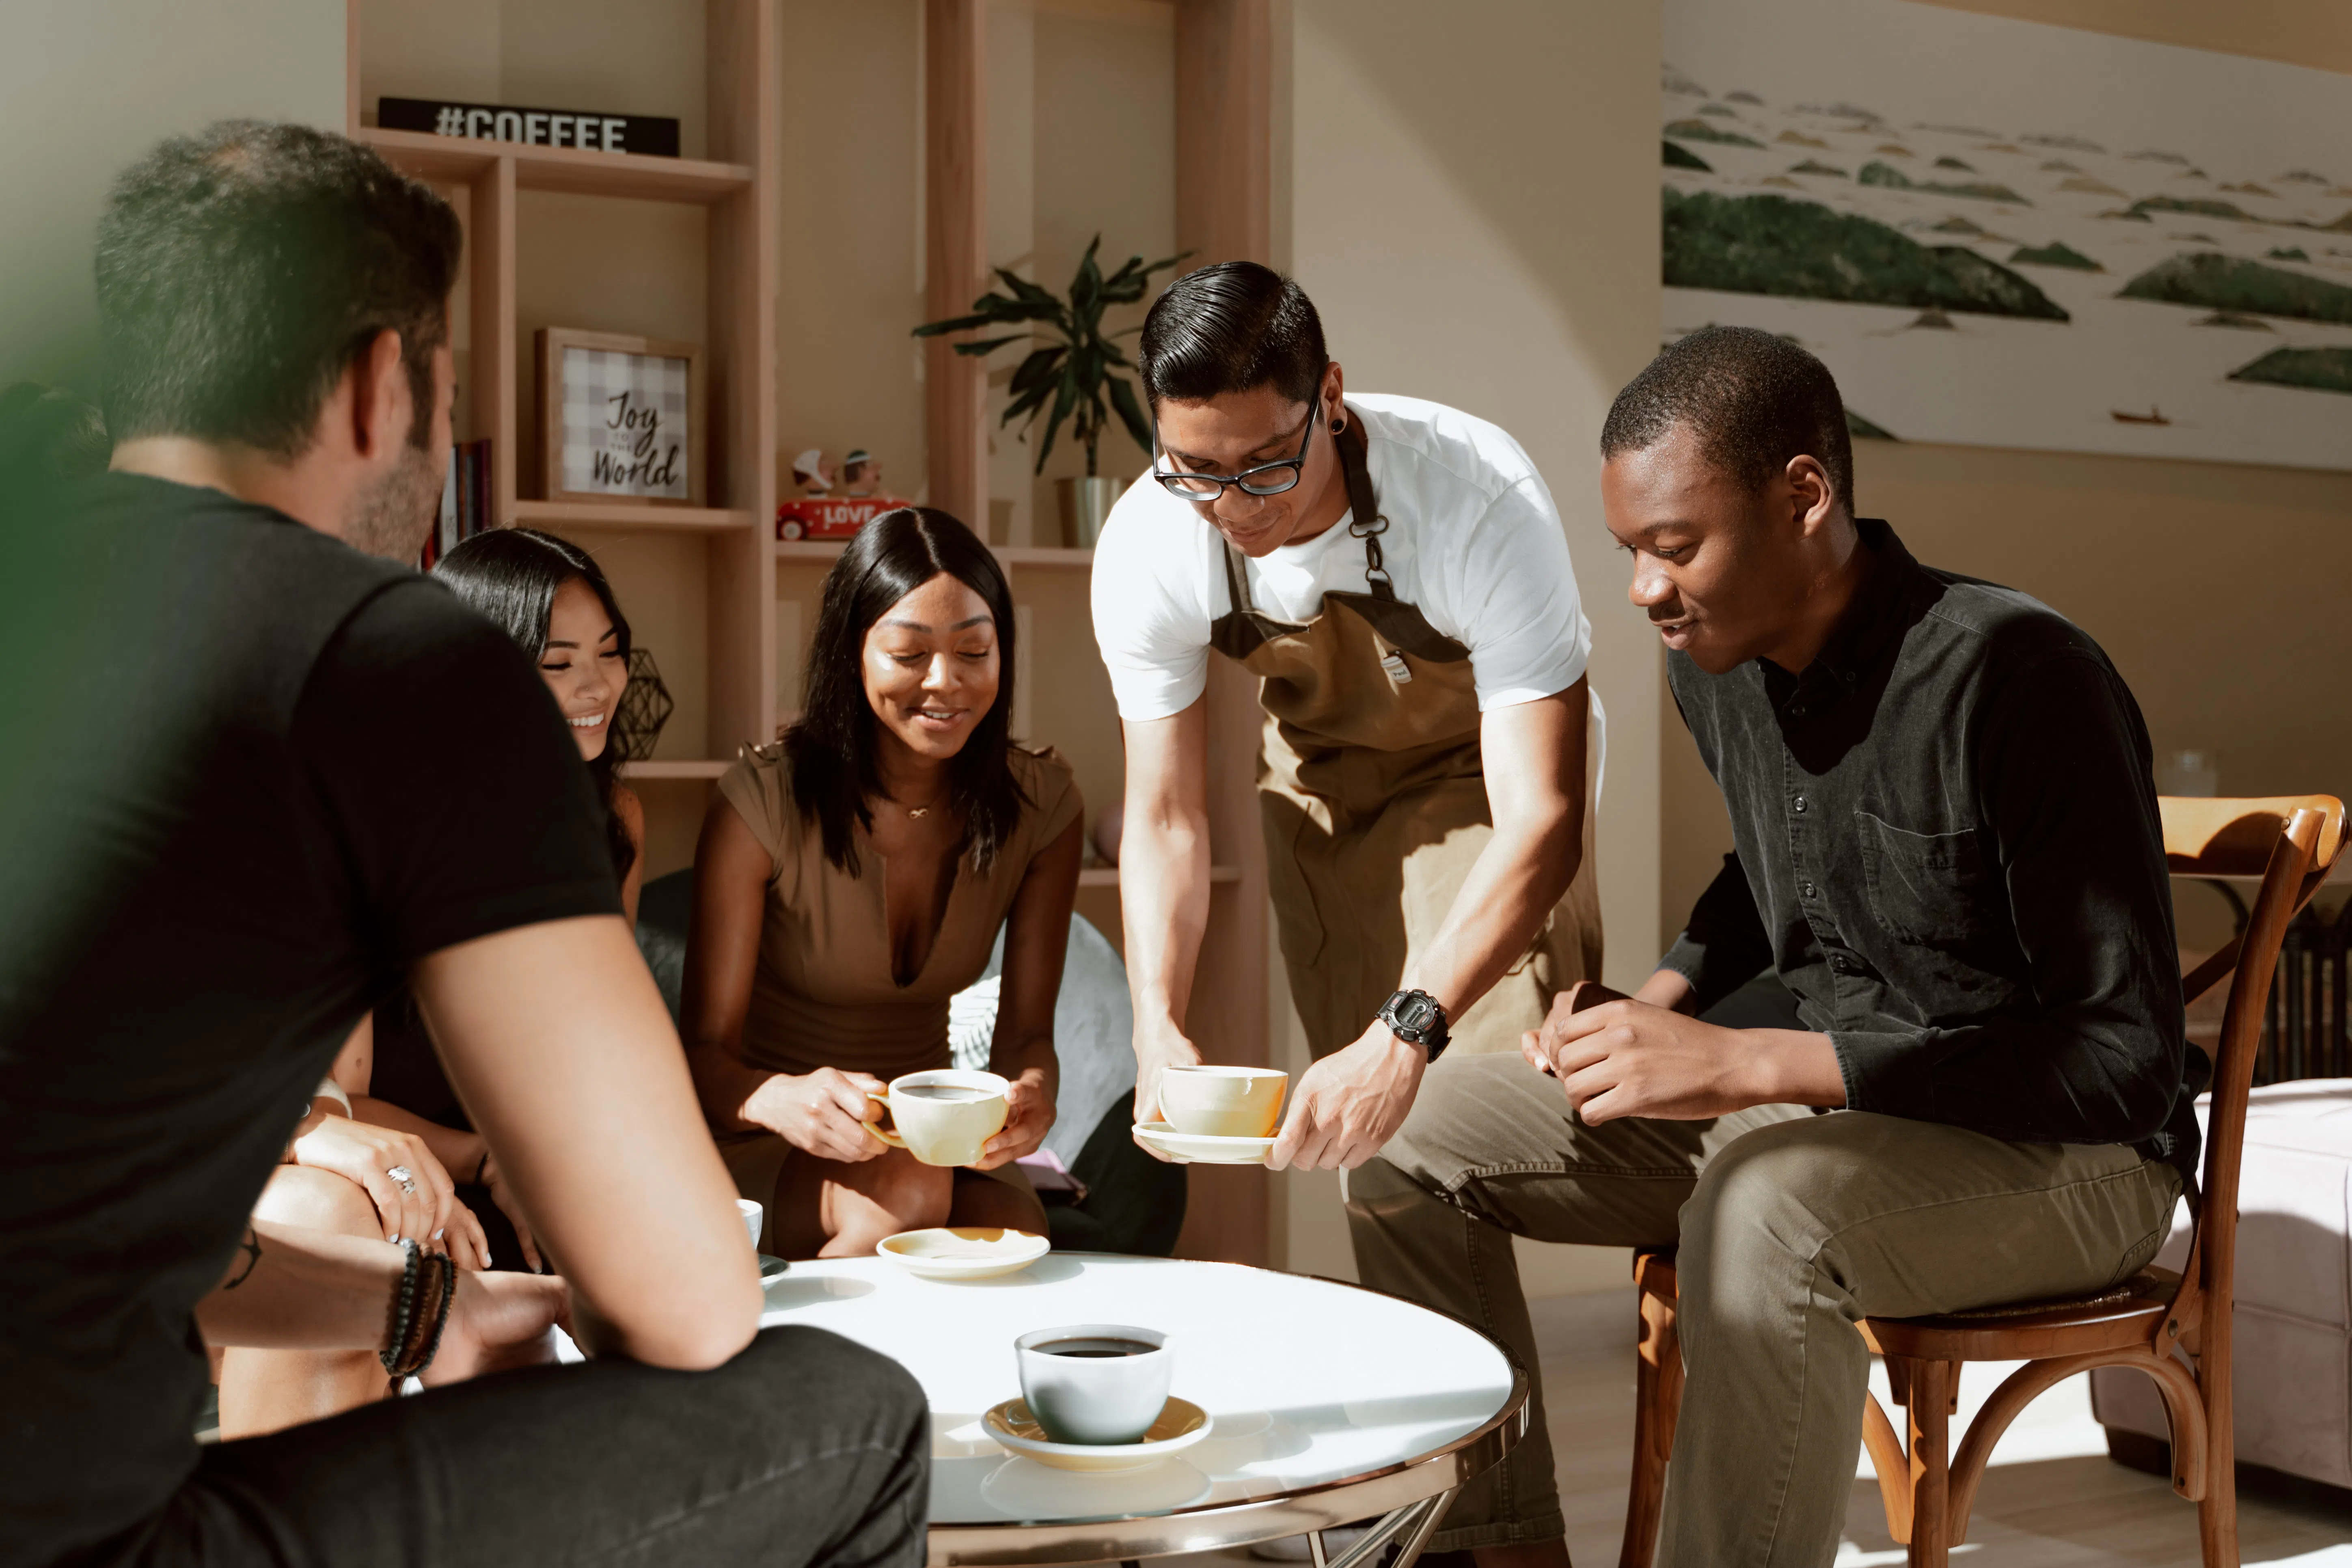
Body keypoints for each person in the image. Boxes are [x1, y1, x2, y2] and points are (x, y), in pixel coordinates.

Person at [0, 120, 924, 1568]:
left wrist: (419, 1310)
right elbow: (680, 1304)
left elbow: (86, 1240)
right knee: (852, 1419)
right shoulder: (383, 658)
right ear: (385, 383)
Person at [1345, 327, 2192, 1568]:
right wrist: (1659, 1001)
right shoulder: (1718, 664)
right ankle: (1493, 1546)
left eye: (1675, 546)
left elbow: (2121, 1061)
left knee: (1767, 1206)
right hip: (1829, 1124)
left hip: (2069, 1156)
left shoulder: (2020, 676)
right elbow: (1769, 870)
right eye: (1632, 550)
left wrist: (1744, 1065)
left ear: (1805, 496)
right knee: (1409, 1135)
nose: (1644, 587)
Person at [1090, 261, 1602, 1173]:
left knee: (1461, 1107)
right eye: (1195, 470)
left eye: (1264, 463)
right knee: (1362, 1134)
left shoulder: (1474, 495)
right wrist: (1155, 1025)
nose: (1234, 506)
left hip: (1480, 783)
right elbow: (1164, 815)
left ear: (1328, 394)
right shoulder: (1148, 539)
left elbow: (1543, 817)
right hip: (1317, 787)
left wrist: (1407, 1029)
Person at [218, 528, 652, 1436]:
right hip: (375, 1185)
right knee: (337, 1220)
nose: (596, 687)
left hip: (506, 1187)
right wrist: (487, 1156)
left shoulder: (606, 820)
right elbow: (333, 1107)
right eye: (556, 661)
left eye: (609, 653)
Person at [683, 507, 1083, 1257]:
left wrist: (1031, 1093)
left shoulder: (1042, 805)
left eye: (974, 650)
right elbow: (703, 1056)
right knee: (908, 1194)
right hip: (765, 1138)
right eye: (908, 654)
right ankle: (797, 1373)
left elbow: (1027, 1034)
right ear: (852, 654)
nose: (946, 681)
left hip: (929, 1143)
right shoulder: (761, 802)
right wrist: (779, 1098)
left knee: (1014, 1235)